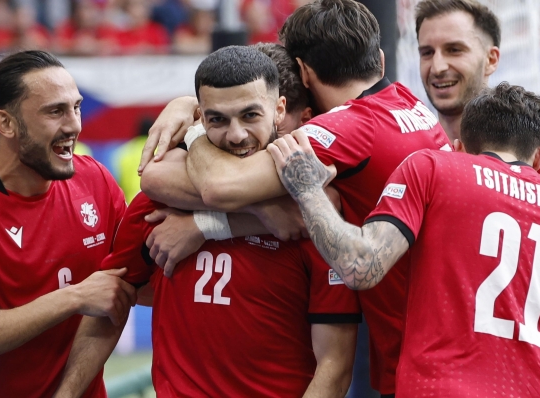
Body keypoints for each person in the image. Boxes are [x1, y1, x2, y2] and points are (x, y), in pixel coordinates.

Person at [138, 1, 451, 395]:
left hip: (417, 357)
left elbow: (217, 186)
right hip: (443, 334)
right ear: (380, 60)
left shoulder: (345, 128)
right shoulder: (408, 103)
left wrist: (198, 124)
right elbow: (318, 207)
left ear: (302, 73)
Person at [54, 45, 359, 398]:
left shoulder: (314, 214)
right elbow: (111, 297)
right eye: (218, 120)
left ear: (279, 111)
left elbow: (334, 367)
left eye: (249, 116)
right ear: (201, 118)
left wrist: (207, 225)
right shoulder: (159, 203)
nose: (236, 135)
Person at [269, 82, 540, 396]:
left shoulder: (434, 167)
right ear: (539, 154)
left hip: (441, 387)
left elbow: (360, 265)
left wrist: (307, 188)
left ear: (459, 147)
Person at [0, 50, 135, 398]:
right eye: (55, 111)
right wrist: (75, 297)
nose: (74, 125)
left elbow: (136, 285)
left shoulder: (95, 181)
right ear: (6, 123)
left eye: (76, 107)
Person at [415, 0, 540, 185]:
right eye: (427, 53)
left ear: (491, 59)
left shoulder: (533, 141)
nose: (437, 68)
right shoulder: (405, 145)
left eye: (454, 50)